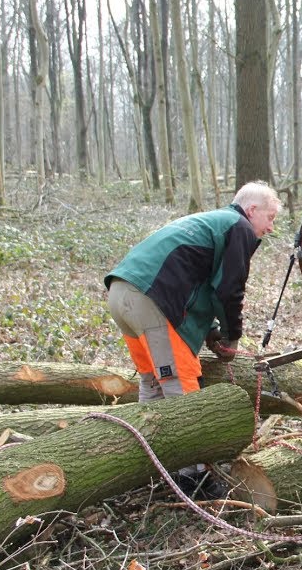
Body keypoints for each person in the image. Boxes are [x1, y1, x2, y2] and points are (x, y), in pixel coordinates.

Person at [105, 181, 281, 495]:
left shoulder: (213, 223)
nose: (270, 227)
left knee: (153, 384)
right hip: (151, 299)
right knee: (182, 389)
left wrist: (211, 331)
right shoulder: (238, 227)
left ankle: (152, 464)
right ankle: (193, 479)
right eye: (270, 218)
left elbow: (197, 282)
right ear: (252, 210)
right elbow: (229, 290)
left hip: (122, 292)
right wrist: (232, 336)